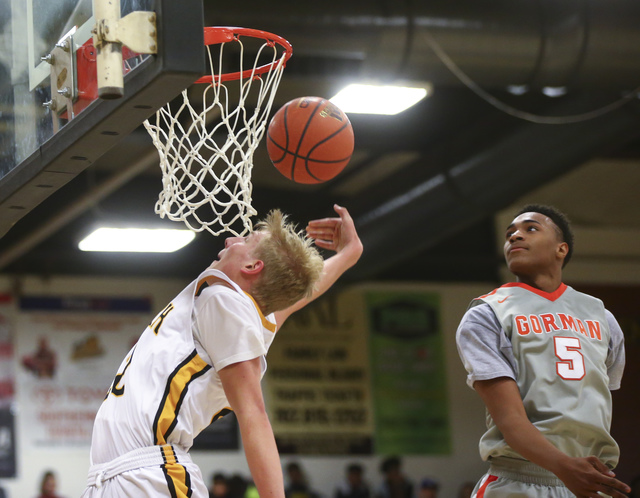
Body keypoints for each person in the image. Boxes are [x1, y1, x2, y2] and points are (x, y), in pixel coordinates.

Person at [81, 204, 363, 498]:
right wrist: (347, 256)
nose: (230, 241)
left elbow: (254, 413)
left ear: (252, 267)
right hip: (113, 478)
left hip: (150, 478)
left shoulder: (225, 303)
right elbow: (291, 302)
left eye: (245, 241)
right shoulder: (236, 315)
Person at [455, 204, 629, 497]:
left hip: (587, 481)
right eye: (510, 233)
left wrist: (579, 471)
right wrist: (563, 465)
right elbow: (509, 419)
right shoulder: (487, 314)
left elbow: (597, 405)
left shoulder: (603, 317)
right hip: (520, 479)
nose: (515, 236)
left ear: (561, 249)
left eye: (530, 228)